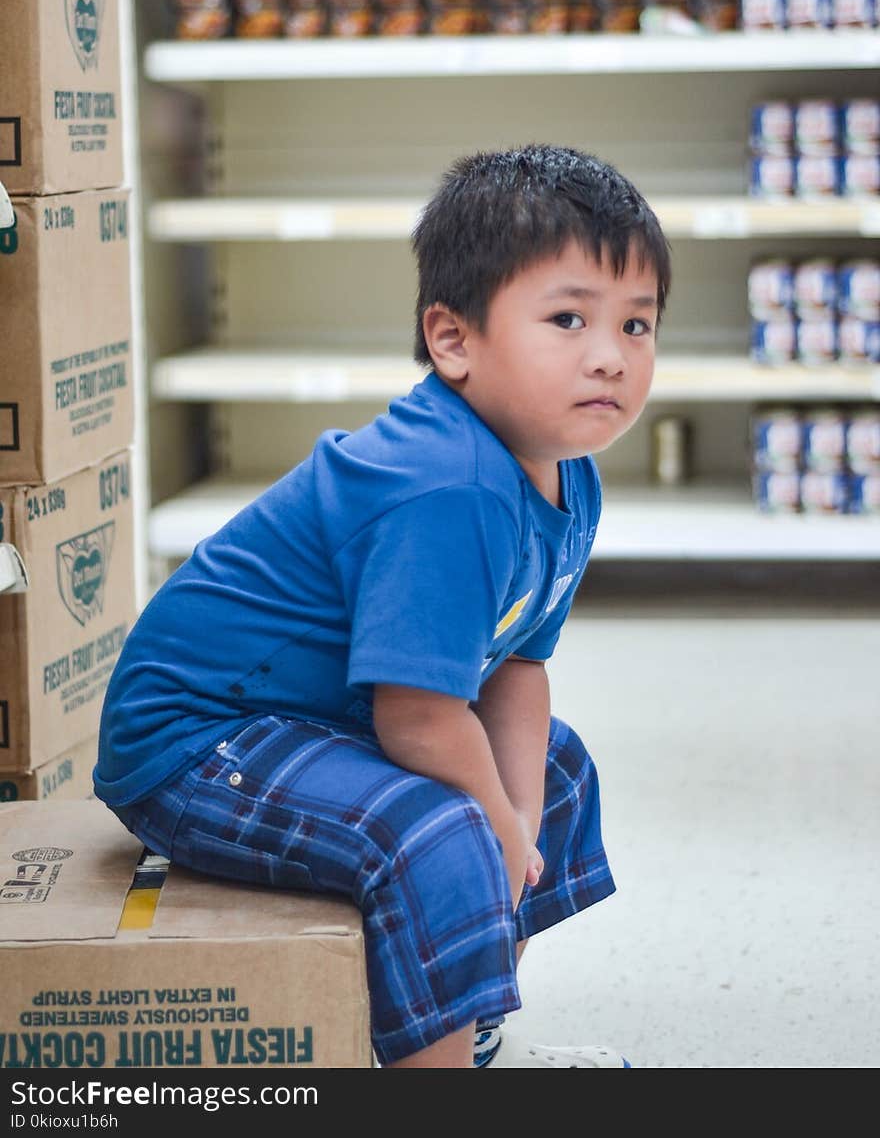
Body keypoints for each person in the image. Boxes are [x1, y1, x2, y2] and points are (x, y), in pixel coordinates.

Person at [93, 143, 671, 1069]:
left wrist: (518, 817)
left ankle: (462, 1027)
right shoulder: (447, 486)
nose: (610, 358)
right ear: (453, 341)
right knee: (441, 830)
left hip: (324, 715)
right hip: (201, 740)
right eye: (568, 319)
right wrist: (492, 823)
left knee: (554, 772)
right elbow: (418, 716)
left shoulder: (569, 477)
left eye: (636, 327)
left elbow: (517, 663)